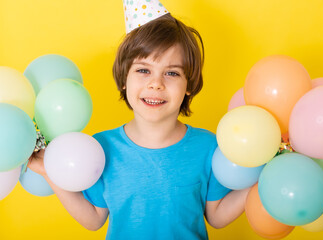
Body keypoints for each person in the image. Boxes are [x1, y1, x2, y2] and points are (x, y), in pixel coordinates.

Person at [28, 2, 250, 239]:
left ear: (189, 84)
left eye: (172, 73)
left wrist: (262, 173)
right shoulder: (99, 148)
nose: (156, 83)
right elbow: (93, 218)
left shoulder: (209, 147)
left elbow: (216, 217)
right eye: (143, 70)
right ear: (124, 78)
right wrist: (49, 171)